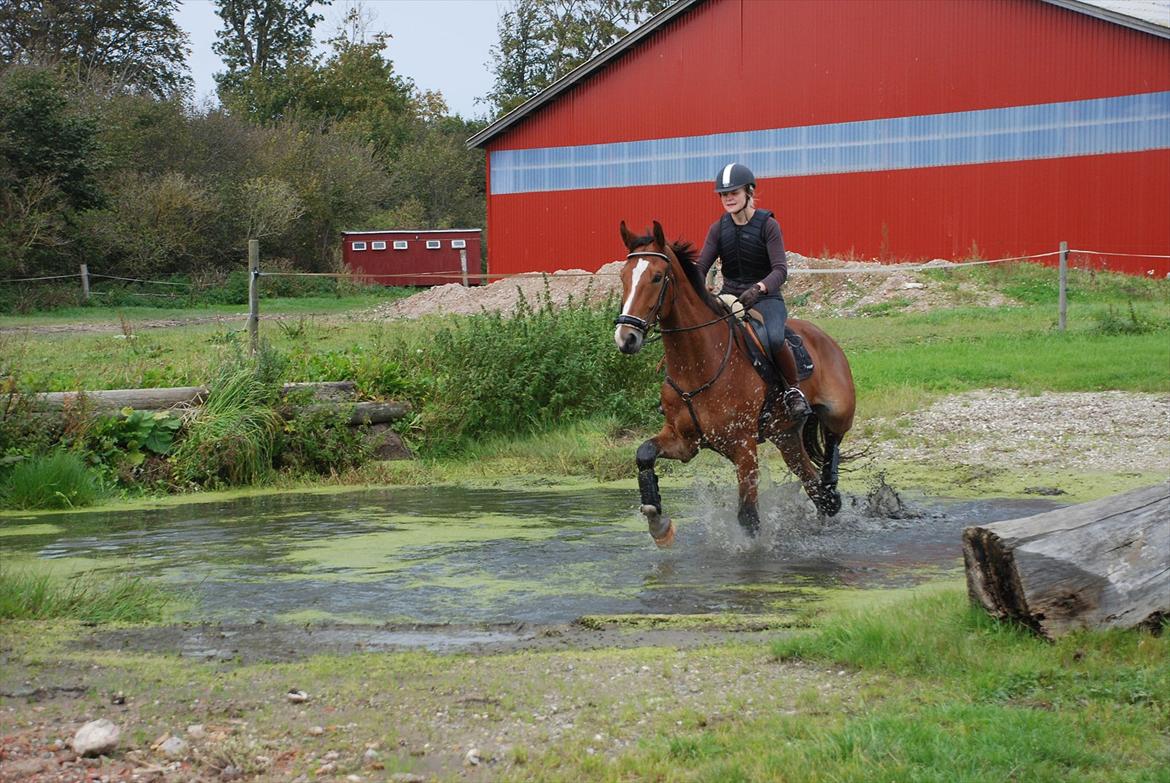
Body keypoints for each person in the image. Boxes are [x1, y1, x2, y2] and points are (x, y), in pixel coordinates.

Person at [696, 162, 812, 420]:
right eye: (724, 195)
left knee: (773, 338)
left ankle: (793, 391)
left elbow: (780, 270)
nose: (728, 199)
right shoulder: (718, 229)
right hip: (729, 297)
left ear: (749, 191)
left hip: (765, 298)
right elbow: (701, 266)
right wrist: (696, 285)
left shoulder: (768, 226)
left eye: (733, 193)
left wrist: (759, 288)